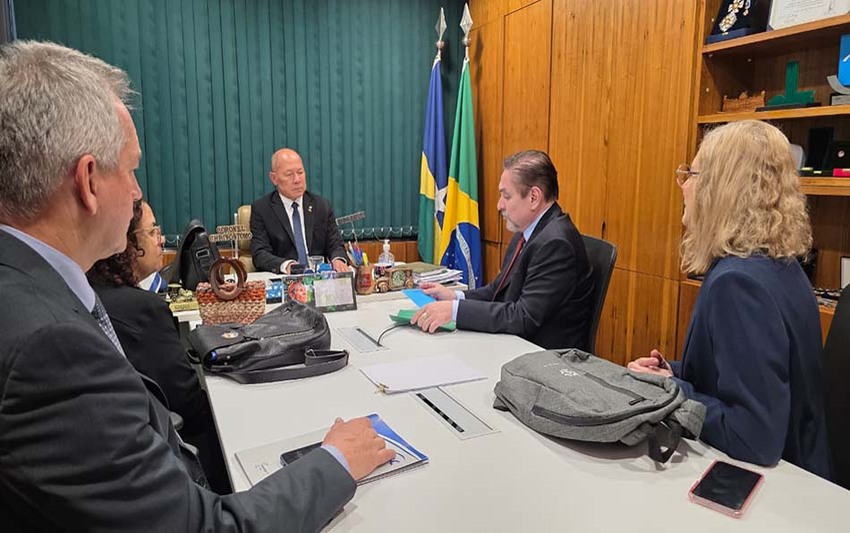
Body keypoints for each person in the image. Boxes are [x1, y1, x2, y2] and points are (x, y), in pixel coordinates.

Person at [0, 40, 394, 532]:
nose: (138, 192)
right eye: (132, 169)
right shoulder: (50, 349)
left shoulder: (29, 289)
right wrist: (335, 462)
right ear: (88, 181)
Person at [628, 120, 831, 478]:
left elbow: (753, 436)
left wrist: (671, 390)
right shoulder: (782, 265)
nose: (683, 185)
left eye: (691, 174)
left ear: (721, 187)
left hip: (776, 488)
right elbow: (752, 378)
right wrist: (673, 372)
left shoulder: (738, 283)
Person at [87, 199, 231, 494]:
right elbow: (187, 402)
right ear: (128, 244)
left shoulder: (92, 291)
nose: (161, 239)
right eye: (152, 231)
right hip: (178, 461)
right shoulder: (143, 309)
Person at [413, 150, 594, 350]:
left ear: (534, 197)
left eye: (506, 196)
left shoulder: (557, 244)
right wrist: (455, 297)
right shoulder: (526, 233)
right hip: (515, 345)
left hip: (544, 356)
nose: (499, 205)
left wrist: (455, 312)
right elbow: (497, 291)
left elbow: (523, 317)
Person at [250, 148, 348, 274]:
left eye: (300, 172)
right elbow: (260, 254)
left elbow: (335, 244)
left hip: (318, 278)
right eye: (289, 174)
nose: (297, 180)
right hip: (285, 279)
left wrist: (338, 260)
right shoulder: (262, 209)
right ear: (274, 178)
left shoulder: (321, 205)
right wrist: (287, 265)